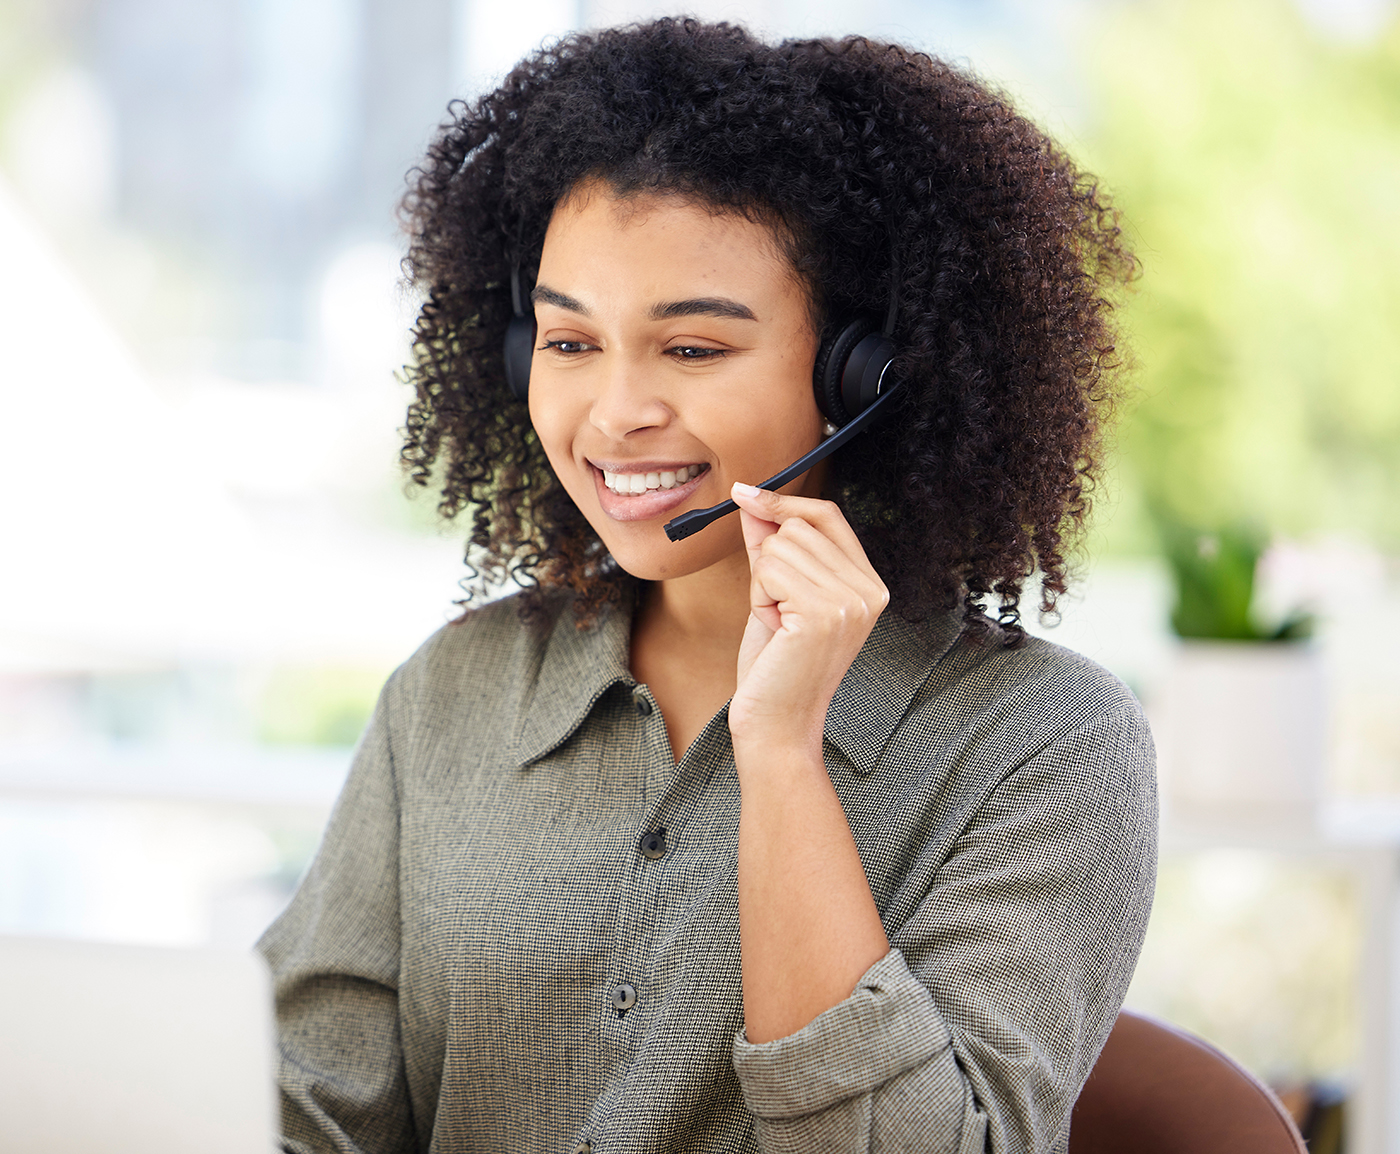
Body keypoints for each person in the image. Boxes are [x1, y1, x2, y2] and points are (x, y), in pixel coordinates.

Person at [259, 18, 1155, 1154]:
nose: (614, 411)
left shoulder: (1047, 743)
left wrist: (779, 754)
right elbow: (296, 1109)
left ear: (858, 375)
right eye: (569, 342)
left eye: (690, 348)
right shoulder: (453, 693)